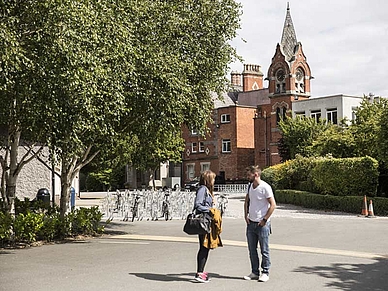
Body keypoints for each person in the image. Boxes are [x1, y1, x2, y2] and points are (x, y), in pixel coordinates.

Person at [243, 165, 276, 282]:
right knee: (252, 250)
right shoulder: (250, 186)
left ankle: (265, 272)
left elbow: (273, 205)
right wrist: (245, 215)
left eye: (249, 175)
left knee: (264, 250)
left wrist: (265, 220)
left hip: (262, 224)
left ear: (255, 174)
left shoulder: (265, 187)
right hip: (251, 223)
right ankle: (254, 272)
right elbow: (246, 200)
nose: (247, 177)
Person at [193, 170, 216, 283]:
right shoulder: (202, 189)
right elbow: (197, 205)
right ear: (208, 179)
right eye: (213, 179)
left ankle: (201, 271)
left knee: (205, 247)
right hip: (203, 221)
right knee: (204, 247)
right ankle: (199, 273)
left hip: (207, 221)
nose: (214, 181)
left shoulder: (206, 190)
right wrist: (210, 210)